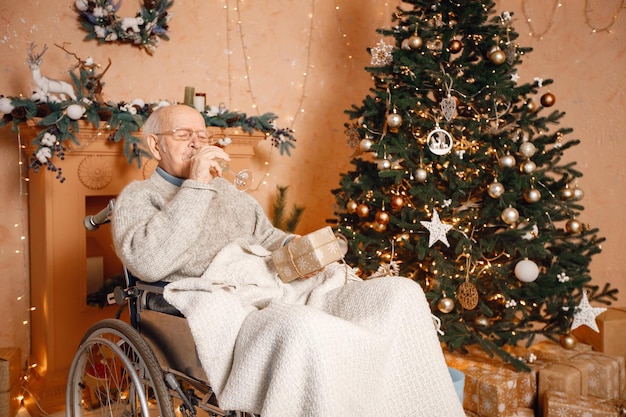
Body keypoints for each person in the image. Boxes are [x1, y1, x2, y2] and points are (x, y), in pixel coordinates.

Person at [112, 104, 465, 417]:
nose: (197, 143)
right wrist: (198, 184)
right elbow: (149, 261)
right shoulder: (140, 197)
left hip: (276, 284)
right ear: (155, 144)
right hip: (224, 301)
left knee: (400, 293)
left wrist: (301, 249)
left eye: (203, 135)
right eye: (183, 134)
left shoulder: (231, 193)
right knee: (302, 326)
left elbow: (267, 238)